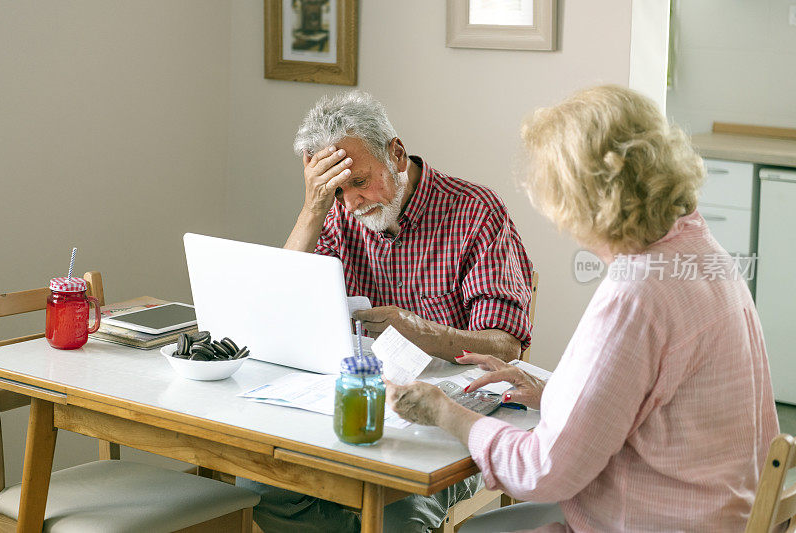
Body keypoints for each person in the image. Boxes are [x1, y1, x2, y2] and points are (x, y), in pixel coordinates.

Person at [387, 85, 779, 532]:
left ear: (585, 199)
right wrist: (551, 391)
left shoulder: (636, 293)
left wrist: (446, 412)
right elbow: (648, 398)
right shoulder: (700, 250)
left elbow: (541, 471)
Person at [236, 91, 534, 532]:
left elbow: (506, 347)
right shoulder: (338, 215)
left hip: (445, 421)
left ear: (395, 152)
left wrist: (412, 327)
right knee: (261, 488)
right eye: (336, 191)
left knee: (398, 519)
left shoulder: (476, 212)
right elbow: (280, 304)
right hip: (353, 406)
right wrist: (313, 207)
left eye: (359, 181)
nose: (352, 203)